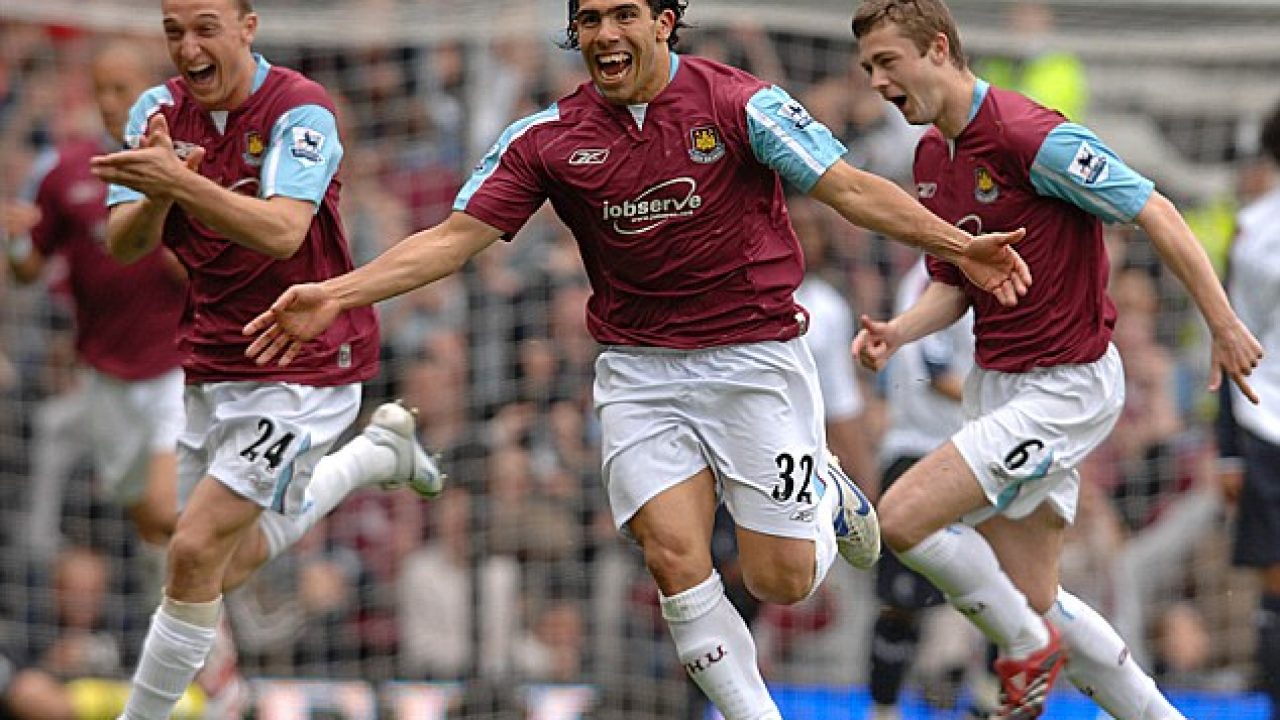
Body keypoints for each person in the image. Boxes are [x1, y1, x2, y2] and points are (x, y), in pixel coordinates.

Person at [243, 1, 1036, 717]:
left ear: (665, 22)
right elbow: (454, 239)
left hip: (753, 362)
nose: (604, 35)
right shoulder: (547, 137)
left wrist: (960, 245)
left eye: (623, 15)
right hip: (639, 371)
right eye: (588, 20)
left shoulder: (738, 102)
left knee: (780, 580)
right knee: (673, 556)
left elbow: (850, 188)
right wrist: (336, 294)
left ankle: (825, 489)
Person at [849, 1, 1264, 718]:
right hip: (996, 387)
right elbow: (956, 282)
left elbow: (1155, 209)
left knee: (901, 518)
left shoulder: (1025, 133)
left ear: (939, 49)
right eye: (868, 69)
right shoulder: (928, 158)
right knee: (1040, 601)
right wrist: (898, 330)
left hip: (1065, 387)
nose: (878, 83)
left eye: (889, 63)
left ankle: (1018, 644)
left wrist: (1224, 325)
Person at [86, 2, 444, 719]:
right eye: (174, 33)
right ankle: (373, 456)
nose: (188, 48)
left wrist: (182, 182)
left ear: (248, 28)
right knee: (222, 559)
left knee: (190, 552)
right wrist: (159, 187)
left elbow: (283, 232)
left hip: (305, 363)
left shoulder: (301, 109)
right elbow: (124, 244)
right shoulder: (157, 110)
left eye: (205, 29)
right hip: (215, 361)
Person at [4, 40, 185, 572]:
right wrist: (15, 241)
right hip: (105, 373)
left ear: (153, 92)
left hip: (179, 365)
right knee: (149, 522)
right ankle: (194, 626)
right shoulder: (62, 170)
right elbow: (26, 269)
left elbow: (208, 268)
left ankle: (212, 632)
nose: (110, 100)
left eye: (123, 88)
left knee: (165, 505)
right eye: (101, 88)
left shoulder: (185, 163)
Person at [866, 256, 976, 719]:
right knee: (901, 600)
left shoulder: (975, 274)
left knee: (988, 589)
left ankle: (981, 702)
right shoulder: (934, 279)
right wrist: (1015, 409)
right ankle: (884, 709)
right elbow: (938, 375)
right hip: (921, 453)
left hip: (971, 453)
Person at [1217, 99, 1280, 720]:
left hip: (1260, 426)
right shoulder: (1252, 228)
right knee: (1276, 591)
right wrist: (1228, 449)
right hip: (1266, 421)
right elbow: (1227, 337)